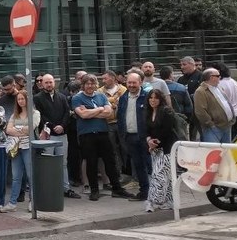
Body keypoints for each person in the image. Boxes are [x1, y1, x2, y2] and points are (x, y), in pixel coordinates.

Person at [71, 74, 131, 201]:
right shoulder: (77, 98)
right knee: (91, 163)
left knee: (110, 161)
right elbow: (82, 115)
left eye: (92, 83)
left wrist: (90, 111)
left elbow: (108, 113)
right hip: (86, 135)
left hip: (103, 132)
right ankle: (94, 190)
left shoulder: (101, 96)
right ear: (83, 85)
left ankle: (117, 188)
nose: (90, 86)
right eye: (87, 83)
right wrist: (99, 109)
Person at [33, 74, 81, 199]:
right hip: (47, 136)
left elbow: (67, 112)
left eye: (51, 82)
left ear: (55, 83)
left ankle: (66, 189)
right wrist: (52, 126)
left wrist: (62, 126)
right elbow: (40, 115)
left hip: (62, 134)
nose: (49, 84)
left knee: (63, 163)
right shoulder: (37, 98)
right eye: (46, 82)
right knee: (47, 163)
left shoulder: (62, 97)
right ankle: (48, 189)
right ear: (42, 84)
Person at [116, 71, 151, 202]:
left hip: (145, 137)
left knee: (151, 165)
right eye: (129, 82)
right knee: (138, 166)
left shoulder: (147, 96)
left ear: (140, 82)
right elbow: (120, 117)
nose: (131, 85)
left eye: (134, 82)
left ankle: (157, 191)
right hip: (129, 137)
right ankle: (144, 192)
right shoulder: (123, 97)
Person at [6, 90, 39, 213]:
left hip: (28, 147)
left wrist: (16, 128)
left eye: (23, 99)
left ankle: (32, 201)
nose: (21, 101)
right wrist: (21, 129)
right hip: (16, 148)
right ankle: (12, 203)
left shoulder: (35, 113)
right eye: (19, 99)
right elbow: (8, 130)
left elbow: (30, 129)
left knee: (31, 175)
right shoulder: (14, 115)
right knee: (16, 177)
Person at [144, 90, 176, 213]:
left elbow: (167, 131)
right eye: (150, 98)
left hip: (168, 148)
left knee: (159, 175)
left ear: (160, 99)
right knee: (162, 176)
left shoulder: (166, 111)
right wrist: (149, 141)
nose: (153, 100)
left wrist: (155, 143)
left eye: (155, 98)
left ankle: (151, 201)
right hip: (155, 148)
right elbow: (146, 129)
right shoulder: (148, 111)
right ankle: (169, 201)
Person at [193, 67, 233, 143]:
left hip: (226, 125)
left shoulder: (218, 87)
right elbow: (200, 111)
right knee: (214, 152)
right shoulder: (201, 91)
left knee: (226, 152)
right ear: (211, 77)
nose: (220, 77)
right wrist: (211, 124)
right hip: (214, 128)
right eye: (218, 76)